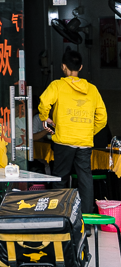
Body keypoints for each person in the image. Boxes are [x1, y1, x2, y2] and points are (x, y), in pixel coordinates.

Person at [38, 49, 107, 215]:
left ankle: (59, 216)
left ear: (63, 67)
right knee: (85, 179)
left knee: (60, 178)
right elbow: (102, 118)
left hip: (63, 140)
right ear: (80, 67)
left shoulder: (57, 85)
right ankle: (86, 219)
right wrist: (88, 131)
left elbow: (44, 102)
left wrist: (45, 117)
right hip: (84, 142)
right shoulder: (92, 89)